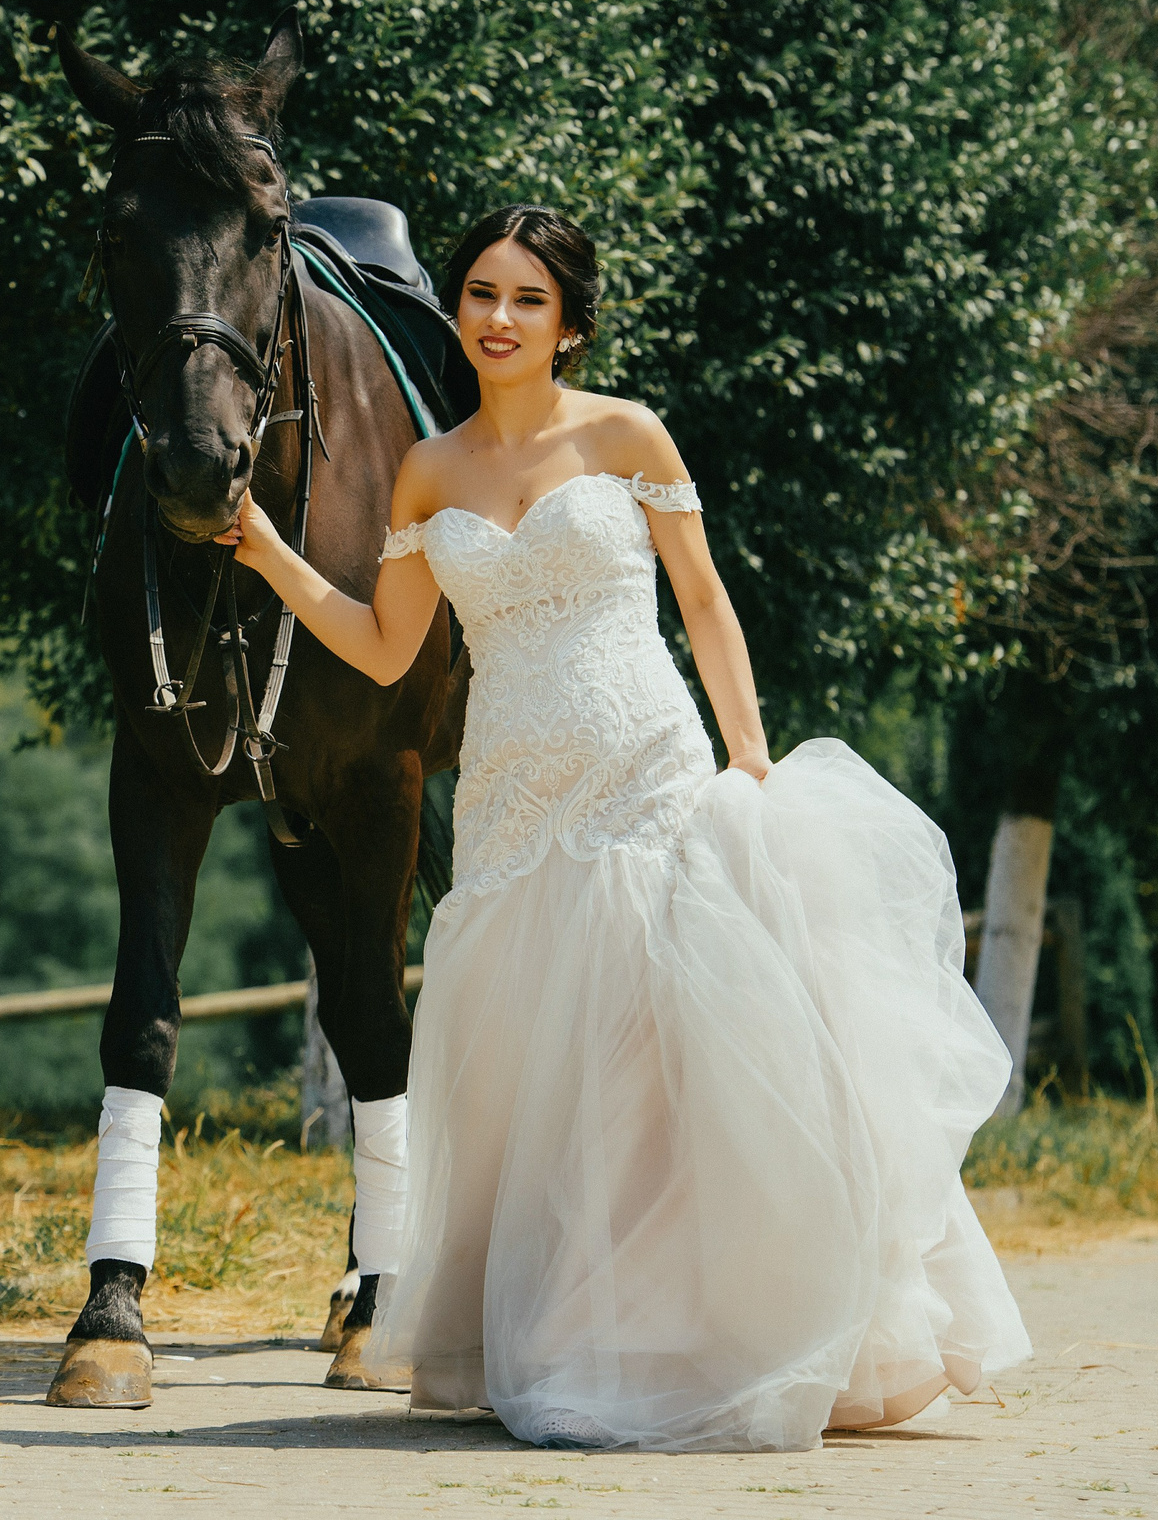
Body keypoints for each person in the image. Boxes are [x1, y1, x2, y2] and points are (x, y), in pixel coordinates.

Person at [216, 204, 1030, 1452]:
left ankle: (727, 1328)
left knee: (669, 1055)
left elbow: (704, 603)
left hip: (645, 764)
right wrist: (269, 552)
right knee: (545, 1076)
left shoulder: (626, 433)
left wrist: (748, 756)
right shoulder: (429, 472)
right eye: (480, 292)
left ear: (570, 323)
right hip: (511, 800)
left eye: (525, 299)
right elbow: (384, 645)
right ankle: (571, 1334)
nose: (495, 317)